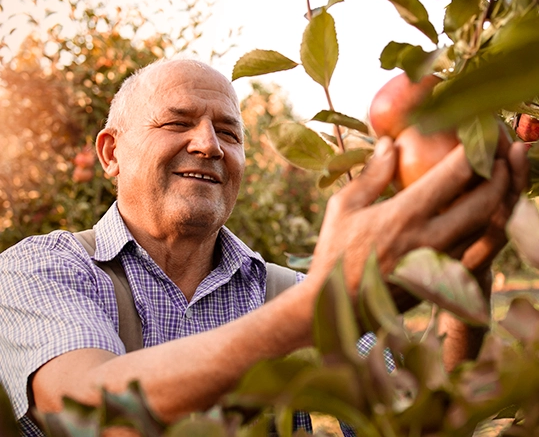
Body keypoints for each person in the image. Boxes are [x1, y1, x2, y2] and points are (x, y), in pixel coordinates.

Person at [0, 57, 529, 436]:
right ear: (111, 153)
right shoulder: (42, 270)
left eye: (228, 133)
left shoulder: (285, 294)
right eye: (177, 122)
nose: (208, 144)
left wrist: (468, 277)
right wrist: (322, 308)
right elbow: (90, 411)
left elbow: (420, 418)